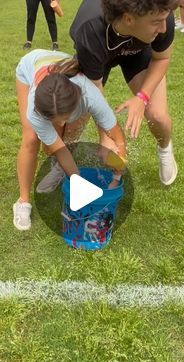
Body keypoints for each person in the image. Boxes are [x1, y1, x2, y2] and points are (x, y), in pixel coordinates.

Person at [69, 0, 179, 187]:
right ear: (129, 19)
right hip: (100, 53)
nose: (164, 29)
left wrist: (142, 98)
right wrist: (106, 136)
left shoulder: (161, 14)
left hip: (138, 54)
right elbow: (94, 90)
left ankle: (165, 148)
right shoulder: (90, 28)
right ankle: (63, 158)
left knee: (157, 115)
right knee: (75, 116)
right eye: (156, 23)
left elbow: (161, 59)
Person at [13, 49, 126, 230]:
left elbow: (118, 137)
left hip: (62, 77)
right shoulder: (35, 108)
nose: (62, 123)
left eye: (65, 117)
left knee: (72, 136)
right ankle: (23, 201)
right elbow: (59, 149)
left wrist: (117, 173)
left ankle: (60, 170)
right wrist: (78, 182)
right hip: (30, 67)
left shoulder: (89, 95)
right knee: (31, 138)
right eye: (56, 120)